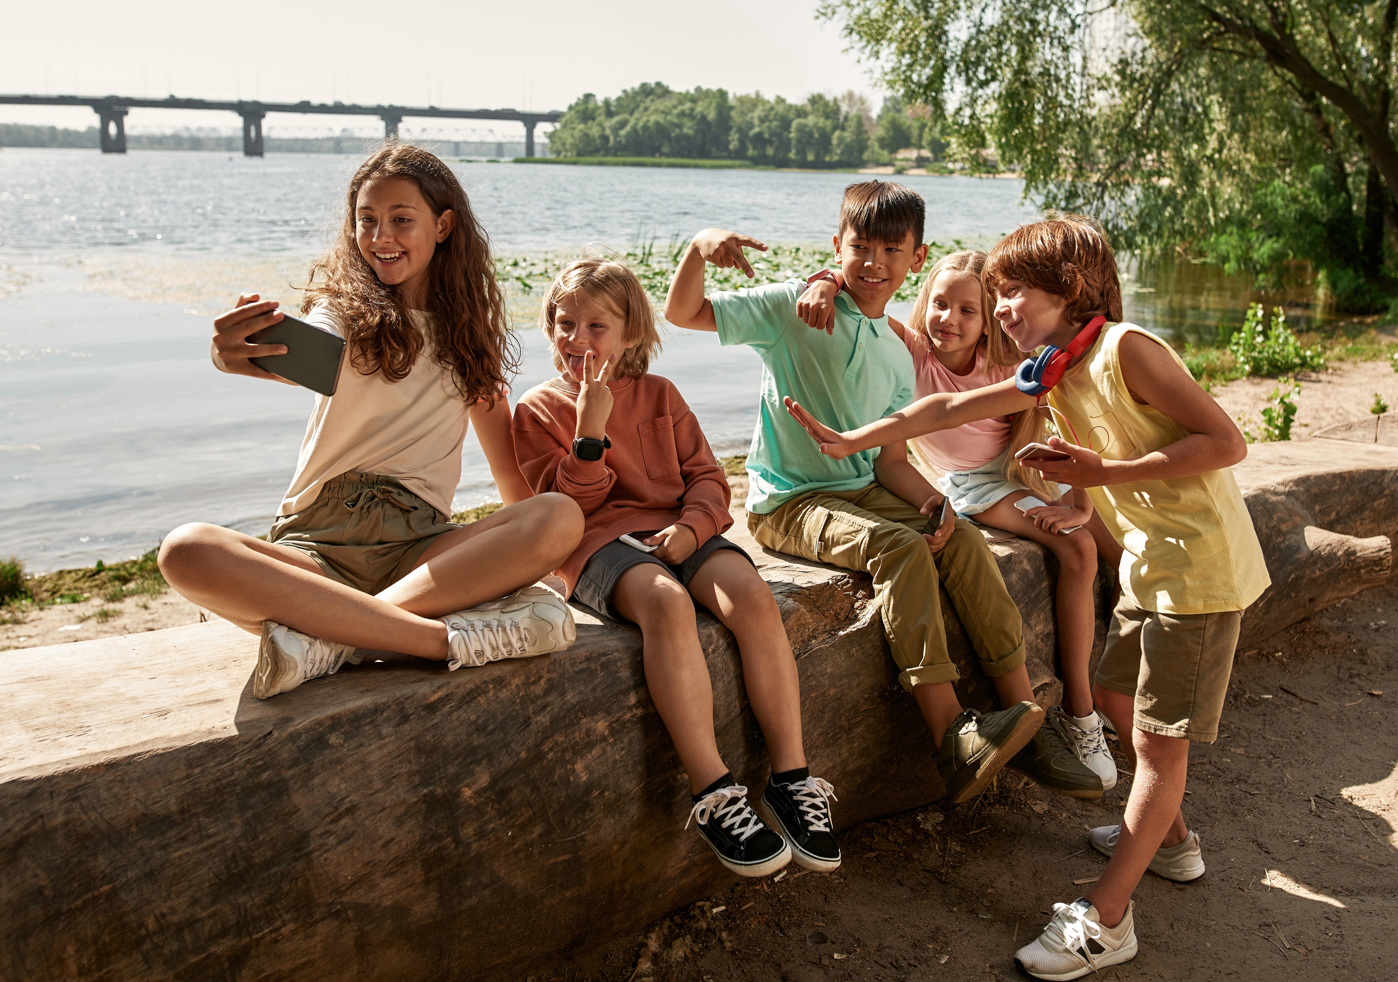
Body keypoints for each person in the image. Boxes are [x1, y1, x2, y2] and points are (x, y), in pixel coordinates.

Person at [783, 215, 1270, 979]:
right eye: (998, 294)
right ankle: (1171, 846)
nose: (1001, 307)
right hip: (1153, 563)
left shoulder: (1127, 350)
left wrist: (1100, 481)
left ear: (1070, 289)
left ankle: (1107, 921)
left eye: (1013, 292)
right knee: (1113, 698)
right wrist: (856, 439)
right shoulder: (1053, 367)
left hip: (1198, 571)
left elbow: (1225, 443)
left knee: (1153, 746)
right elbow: (944, 411)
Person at [662, 180, 1045, 808]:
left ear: (916, 259)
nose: (873, 263)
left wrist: (931, 500)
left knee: (962, 537)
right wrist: (702, 247)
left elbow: (891, 459)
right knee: (900, 548)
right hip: (787, 502)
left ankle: (1022, 710)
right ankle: (952, 733)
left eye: (892, 250)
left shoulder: (897, 352)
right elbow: (684, 314)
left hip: (863, 487)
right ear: (834, 246)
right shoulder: (794, 308)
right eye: (860, 247)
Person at [158, 143, 583, 700]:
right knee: (185, 550)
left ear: (444, 225)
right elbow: (307, 352)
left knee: (557, 516)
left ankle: (333, 636)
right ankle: (437, 642)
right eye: (367, 220)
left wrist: (550, 557)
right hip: (315, 553)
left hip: (421, 558)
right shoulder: (345, 310)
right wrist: (230, 351)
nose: (381, 236)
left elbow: (511, 484)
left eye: (401, 220)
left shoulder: (469, 343)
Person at [512, 257, 840, 878]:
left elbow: (709, 478)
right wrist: (589, 432)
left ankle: (791, 779)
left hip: (680, 531)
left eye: (596, 326)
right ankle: (712, 792)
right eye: (564, 324)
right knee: (665, 603)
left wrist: (692, 530)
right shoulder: (536, 410)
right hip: (597, 544)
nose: (577, 339)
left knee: (752, 594)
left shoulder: (662, 394)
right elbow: (556, 513)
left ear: (632, 331)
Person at [796, 249, 1115, 798]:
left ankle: (1118, 688)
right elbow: (863, 296)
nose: (950, 319)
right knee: (1078, 548)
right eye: (940, 304)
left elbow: (1069, 420)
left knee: (1115, 540)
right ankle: (1080, 714)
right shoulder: (912, 350)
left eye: (969, 310)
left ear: (989, 316)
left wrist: (1081, 498)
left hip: (1027, 463)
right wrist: (825, 278)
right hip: (971, 484)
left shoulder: (1005, 360)